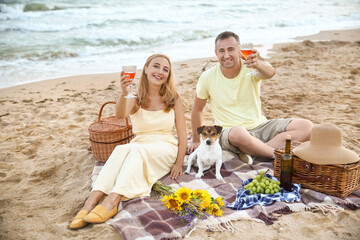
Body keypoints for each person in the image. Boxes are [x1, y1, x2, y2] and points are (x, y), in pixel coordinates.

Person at [69, 54, 187, 229]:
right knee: (121, 150)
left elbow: (183, 133)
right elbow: (121, 115)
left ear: (168, 75)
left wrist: (179, 162)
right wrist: (124, 93)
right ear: (146, 69)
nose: (160, 72)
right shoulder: (135, 97)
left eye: (165, 69)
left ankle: (112, 200)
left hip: (165, 147)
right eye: (156, 66)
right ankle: (90, 202)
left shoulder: (173, 98)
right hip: (140, 144)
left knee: (136, 150)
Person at [187, 31, 312, 163]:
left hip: (260, 126)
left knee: (306, 126)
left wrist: (258, 63)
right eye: (222, 51)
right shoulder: (207, 77)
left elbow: (270, 73)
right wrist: (196, 140)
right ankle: (273, 154)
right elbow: (197, 109)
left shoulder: (251, 68)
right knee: (239, 132)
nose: (227, 55)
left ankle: (256, 151)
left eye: (231, 49)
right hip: (229, 132)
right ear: (216, 54)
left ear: (239, 50)